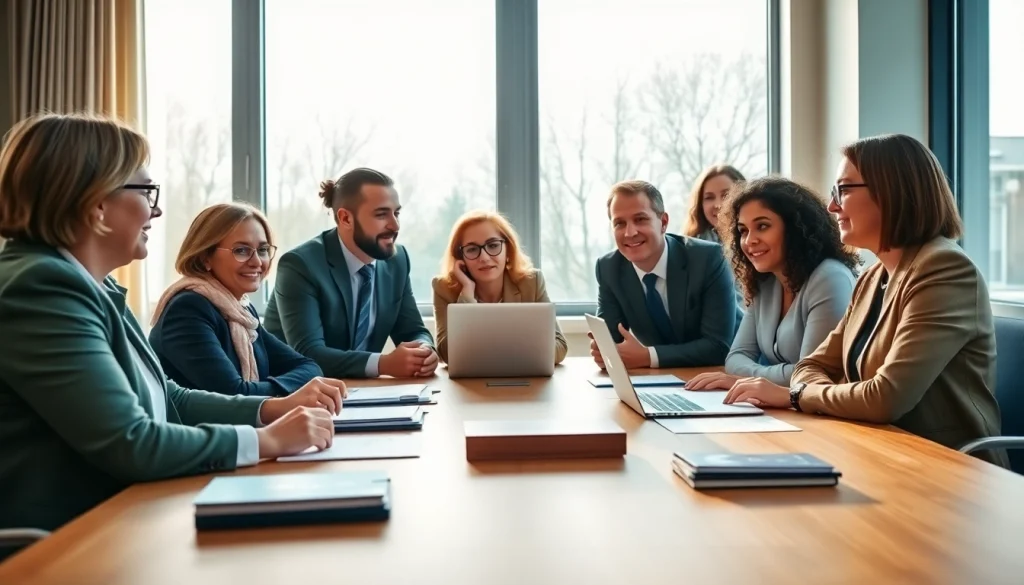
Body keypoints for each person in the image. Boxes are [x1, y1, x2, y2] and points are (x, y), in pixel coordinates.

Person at [0, 113, 345, 533]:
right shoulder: (42, 287)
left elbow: (170, 399)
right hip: (68, 541)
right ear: (96, 203)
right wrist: (267, 440)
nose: (157, 209)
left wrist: (273, 408)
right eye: (146, 191)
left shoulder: (96, 285)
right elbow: (132, 442)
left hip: (126, 514)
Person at [721, 134, 1007, 467]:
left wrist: (796, 396)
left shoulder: (944, 268)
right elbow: (811, 366)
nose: (832, 206)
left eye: (843, 190)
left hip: (946, 467)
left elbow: (885, 398)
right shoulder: (873, 277)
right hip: (878, 450)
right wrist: (806, 389)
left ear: (891, 190)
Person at [685, 177, 858, 392]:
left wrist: (749, 378)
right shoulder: (766, 282)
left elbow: (811, 375)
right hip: (786, 407)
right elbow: (735, 358)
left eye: (762, 226)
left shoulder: (830, 278)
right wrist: (764, 378)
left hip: (827, 415)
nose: (749, 241)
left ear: (795, 228)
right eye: (743, 231)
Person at [263, 167, 438, 379]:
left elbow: (412, 331)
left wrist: (425, 351)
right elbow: (308, 354)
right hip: (295, 392)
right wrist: (384, 364)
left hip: (361, 391)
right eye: (381, 214)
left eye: (396, 213)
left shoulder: (397, 260)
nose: (395, 225)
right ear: (345, 218)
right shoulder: (300, 265)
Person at [149, 203, 322, 397]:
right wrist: (296, 392)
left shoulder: (241, 311)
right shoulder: (187, 310)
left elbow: (309, 367)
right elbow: (234, 395)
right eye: (241, 250)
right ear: (205, 257)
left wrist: (278, 388)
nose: (257, 262)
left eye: (263, 249)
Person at [591, 180, 737, 369]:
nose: (630, 232)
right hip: (666, 378)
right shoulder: (608, 268)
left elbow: (718, 346)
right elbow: (611, 339)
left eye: (640, 219)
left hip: (728, 372)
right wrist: (605, 351)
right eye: (619, 223)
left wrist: (647, 356)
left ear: (664, 222)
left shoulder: (708, 259)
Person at [432, 210, 567, 364]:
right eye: (472, 249)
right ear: (460, 257)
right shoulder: (444, 288)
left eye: (493, 245)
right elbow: (446, 354)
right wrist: (467, 296)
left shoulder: (531, 282)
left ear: (508, 249)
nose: (484, 257)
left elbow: (560, 347)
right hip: (469, 385)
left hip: (523, 380)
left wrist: (499, 352)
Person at [682, 164, 746, 243]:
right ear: (700, 205)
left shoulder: (757, 241)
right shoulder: (687, 247)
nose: (718, 205)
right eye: (709, 197)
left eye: (726, 195)